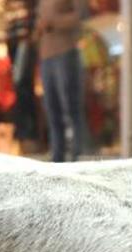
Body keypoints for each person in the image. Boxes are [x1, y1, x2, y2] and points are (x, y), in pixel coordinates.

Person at [36, 0, 86, 162]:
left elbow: (79, 16)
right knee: (52, 110)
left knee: (71, 108)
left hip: (65, 52)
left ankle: (77, 155)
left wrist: (53, 22)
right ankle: (57, 157)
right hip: (46, 56)